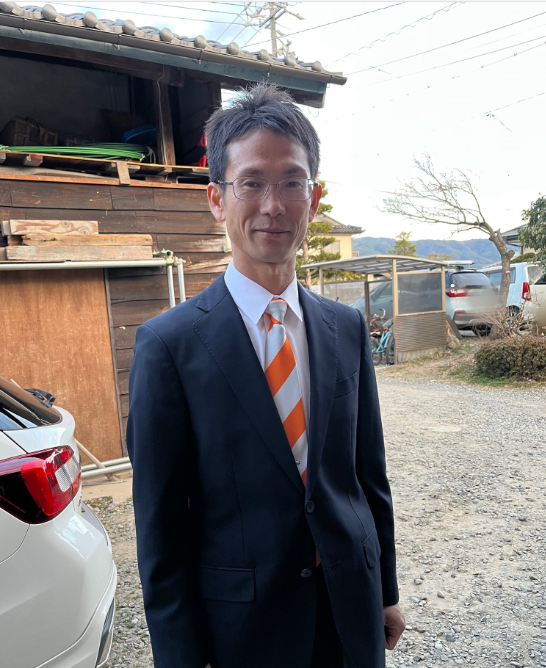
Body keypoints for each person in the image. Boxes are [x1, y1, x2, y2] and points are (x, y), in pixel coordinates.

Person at [127, 83, 404, 668]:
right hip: (243, 628)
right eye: (251, 183)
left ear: (314, 197)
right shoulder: (169, 346)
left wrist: (386, 590)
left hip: (350, 609)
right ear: (216, 199)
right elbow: (161, 526)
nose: (273, 205)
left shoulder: (345, 327)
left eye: (291, 182)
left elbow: (366, 476)